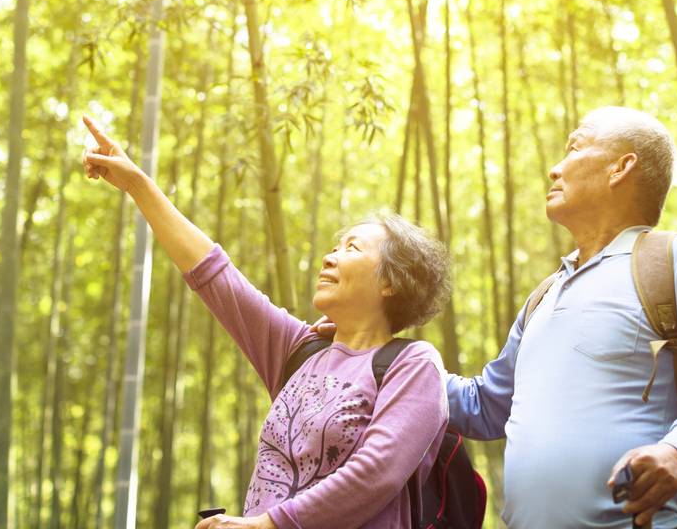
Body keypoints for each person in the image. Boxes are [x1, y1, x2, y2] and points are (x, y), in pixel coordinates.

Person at [80, 115, 452, 529]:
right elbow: (215, 276)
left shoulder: (414, 365)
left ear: (391, 280)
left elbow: (377, 473)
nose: (329, 257)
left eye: (352, 248)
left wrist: (268, 524)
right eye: (333, 246)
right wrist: (137, 185)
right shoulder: (301, 351)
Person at [446, 106, 677, 528]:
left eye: (573, 148)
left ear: (620, 167)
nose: (553, 169)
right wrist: (375, 354)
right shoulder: (544, 295)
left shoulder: (676, 260)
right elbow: (484, 407)